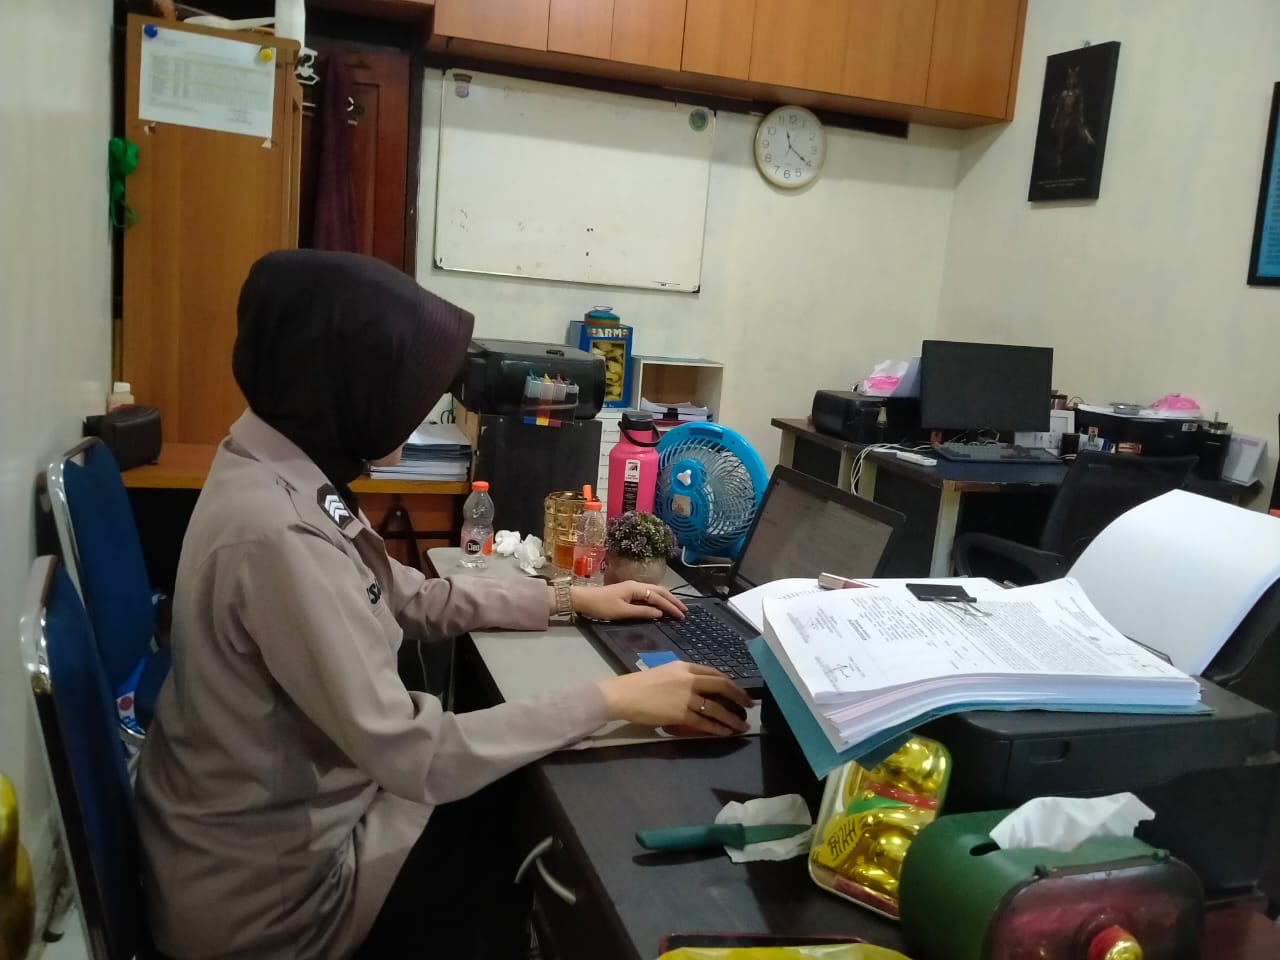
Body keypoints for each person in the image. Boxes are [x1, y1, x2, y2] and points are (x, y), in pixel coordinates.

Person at [134, 250, 752, 960]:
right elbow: (415, 754)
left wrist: (570, 596)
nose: (418, 411)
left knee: (516, 793)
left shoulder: (275, 463)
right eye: (404, 389)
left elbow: (414, 596)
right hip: (274, 903)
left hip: (274, 830)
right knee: (541, 829)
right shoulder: (279, 535)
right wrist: (617, 697)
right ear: (345, 380)